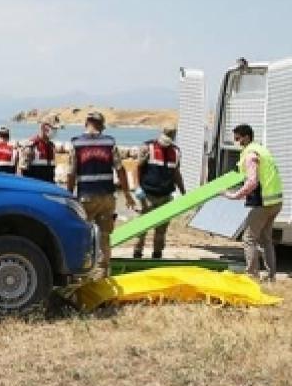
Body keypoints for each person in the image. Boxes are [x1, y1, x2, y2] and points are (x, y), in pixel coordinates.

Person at [67, 111, 137, 276]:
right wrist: (127, 194)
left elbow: (71, 173)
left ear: (86, 123)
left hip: (86, 198)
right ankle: (102, 274)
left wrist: (69, 197)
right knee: (104, 236)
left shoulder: (77, 144)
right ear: (101, 125)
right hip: (107, 197)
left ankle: (82, 272)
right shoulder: (109, 143)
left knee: (83, 235)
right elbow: (120, 170)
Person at [223, 124, 284, 282]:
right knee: (266, 239)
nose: (237, 142)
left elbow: (252, 182)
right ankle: (271, 276)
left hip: (263, 203)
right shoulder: (262, 150)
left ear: (246, 137)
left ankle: (251, 276)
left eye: (238, 138)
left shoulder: (251, 154)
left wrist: (234, 195)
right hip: (275, 201)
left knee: (249, 238)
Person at [132, 126, 186, 259]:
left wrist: (184, 192)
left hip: (165, 196)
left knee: (161, 230)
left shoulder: (176, 152)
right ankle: (137, 254)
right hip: (147, 195)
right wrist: (137, 187)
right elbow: (136, 168)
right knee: (141, 229)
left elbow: (176, 173)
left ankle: (157, 255)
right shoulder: (148, 147)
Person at [18, 118, 59, 183]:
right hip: (34, 187)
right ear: (43, 127)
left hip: (48, 187)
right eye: (53, 128)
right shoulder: (32, 145)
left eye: (56, 129)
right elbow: (22, 171)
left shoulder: (52, 146)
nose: (54, 131)